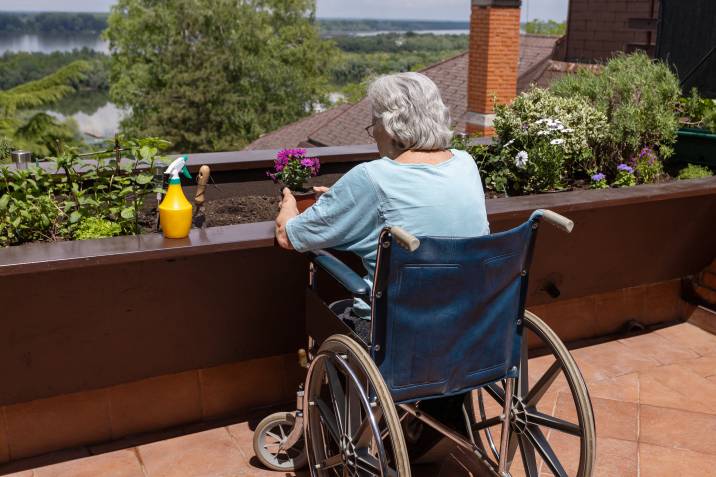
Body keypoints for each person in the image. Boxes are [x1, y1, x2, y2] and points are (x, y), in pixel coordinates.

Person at [274, 72, 489, 336]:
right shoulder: (465, 163)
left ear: (389, 125)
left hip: (398, 332)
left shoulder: (372, 177)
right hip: (467, 323)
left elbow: (289, 236)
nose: (373, 132)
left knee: (327, 312)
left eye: (373, 123)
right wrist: (344, 200)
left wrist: (289, 204)